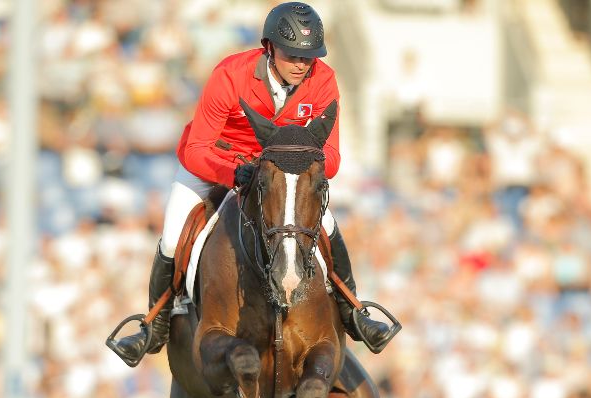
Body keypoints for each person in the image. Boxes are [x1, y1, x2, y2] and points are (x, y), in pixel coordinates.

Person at [110, 2, 393, 365]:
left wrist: (290, 165)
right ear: (270, 47)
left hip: (279, 172)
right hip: (217, 161)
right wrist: (234, 173)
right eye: (293, 55)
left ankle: (354, 311)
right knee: (172, 233)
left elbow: (332, 160)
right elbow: (197, 148)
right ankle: (155, 323)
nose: (302, 64)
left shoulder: (324, 80)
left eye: (309, 57)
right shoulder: (231, 74)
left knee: (326, 223)